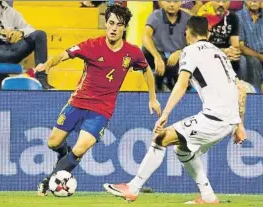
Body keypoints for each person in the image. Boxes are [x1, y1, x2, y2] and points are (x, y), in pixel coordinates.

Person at [104, 16, 247, 204]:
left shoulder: (189, 51)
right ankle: (208, 196)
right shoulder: (220, 54)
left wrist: (165, 114)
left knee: (160, 138)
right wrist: (239, 124)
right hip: (227, 119)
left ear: (187, 32)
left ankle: (133, 188)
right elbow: (241, 89)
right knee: (183, 150)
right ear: (208, 33)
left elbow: (181, 85)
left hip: (214, 118)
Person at [35, 4, 161, 196]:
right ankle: (63, 154)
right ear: (106, 23)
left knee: (81, 147)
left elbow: (146, 70)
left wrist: (153, 98)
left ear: (124, 27)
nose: (114, 28)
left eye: (119, 25)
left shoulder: (132, 52)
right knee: (53, 143)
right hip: (77, 103)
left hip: (102, 110)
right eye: (111, 23)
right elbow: (62, 55)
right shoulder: (91, 46)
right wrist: (47, 65)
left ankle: (50, 180)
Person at [0, 1, 52, 89]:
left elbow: (30, 28)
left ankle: (41, 79)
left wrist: (21, 33)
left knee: (40, 35)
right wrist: (0, 31)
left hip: (9, 49)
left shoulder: (11, 12)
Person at [143, 1, 190, 91]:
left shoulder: (188, 19)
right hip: (159, 56)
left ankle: (171, 81)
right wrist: (157, 57)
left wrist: (180, 52)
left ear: (180, 2)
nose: (171, 4)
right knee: (144, 50)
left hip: (178, 59)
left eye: (175, 1)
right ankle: (156, 80)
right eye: (168, 1)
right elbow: (145, 36)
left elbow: (194, 42)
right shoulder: (155, 16)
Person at [237, 0, 263, 92]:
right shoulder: (238, 16)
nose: (254, 0)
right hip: (249, 54)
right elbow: (241, 46)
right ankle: (256, 95)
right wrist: (260, 56)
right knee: (254, 61)